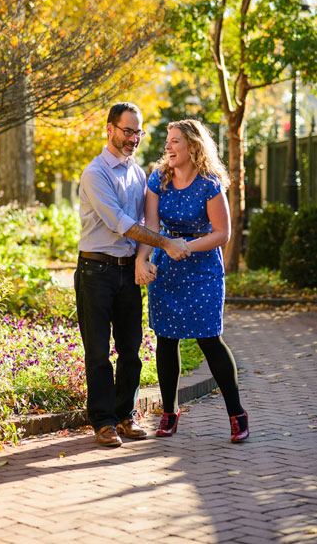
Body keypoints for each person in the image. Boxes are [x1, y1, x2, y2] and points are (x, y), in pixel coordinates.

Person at [75, 102, 192, 448]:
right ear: (109, 129)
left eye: (138, 132)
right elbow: (122, 225)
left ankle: (125, 416)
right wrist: (166, 243)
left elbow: (146, 223)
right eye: (127, 131)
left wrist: (145, 258)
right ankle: (103, 422)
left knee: (131, 350)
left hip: (128, 273)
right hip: (95, 271)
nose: (133, 138)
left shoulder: (138, 174)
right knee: (97, 351)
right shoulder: (95, 173)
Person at [135, 119, 248, 443]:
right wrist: (144, 258)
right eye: (168, 142)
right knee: (166, 340)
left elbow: (222, 234)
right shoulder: (159, 179)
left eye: (175, 142)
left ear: (193, 147)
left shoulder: (210, 184)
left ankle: (237, 414)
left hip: (202, 271)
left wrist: (184, 246)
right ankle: (169, 412)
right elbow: (150, 226)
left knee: (209, 340)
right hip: (166, 267)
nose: (167, 147)